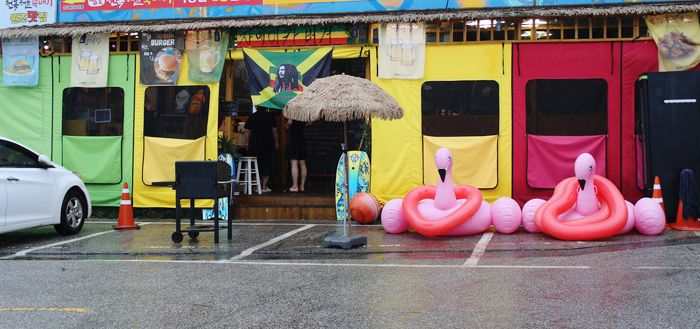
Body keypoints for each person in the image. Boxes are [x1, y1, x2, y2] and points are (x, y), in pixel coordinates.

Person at [244, 107, 279, 193]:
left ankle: (257, 187)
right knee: (267, 165)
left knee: (256, 165)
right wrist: (276, 142)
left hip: (255, 144)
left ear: (256, 107)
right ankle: (264, 187)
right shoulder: (270, 116)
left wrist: (247, 143)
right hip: (268, 144)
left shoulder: (252, 116)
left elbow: (247, 131)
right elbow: (274, 131)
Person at [286, 118, 307, 192]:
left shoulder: (291, 110)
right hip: (302, 139)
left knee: (294, 163)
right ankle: (302, 186)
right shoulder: (303, 111)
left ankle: (295, 186)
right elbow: (309, 122)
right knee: (302, 163)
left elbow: (289, 122)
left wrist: (287, 125)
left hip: (293, 140)